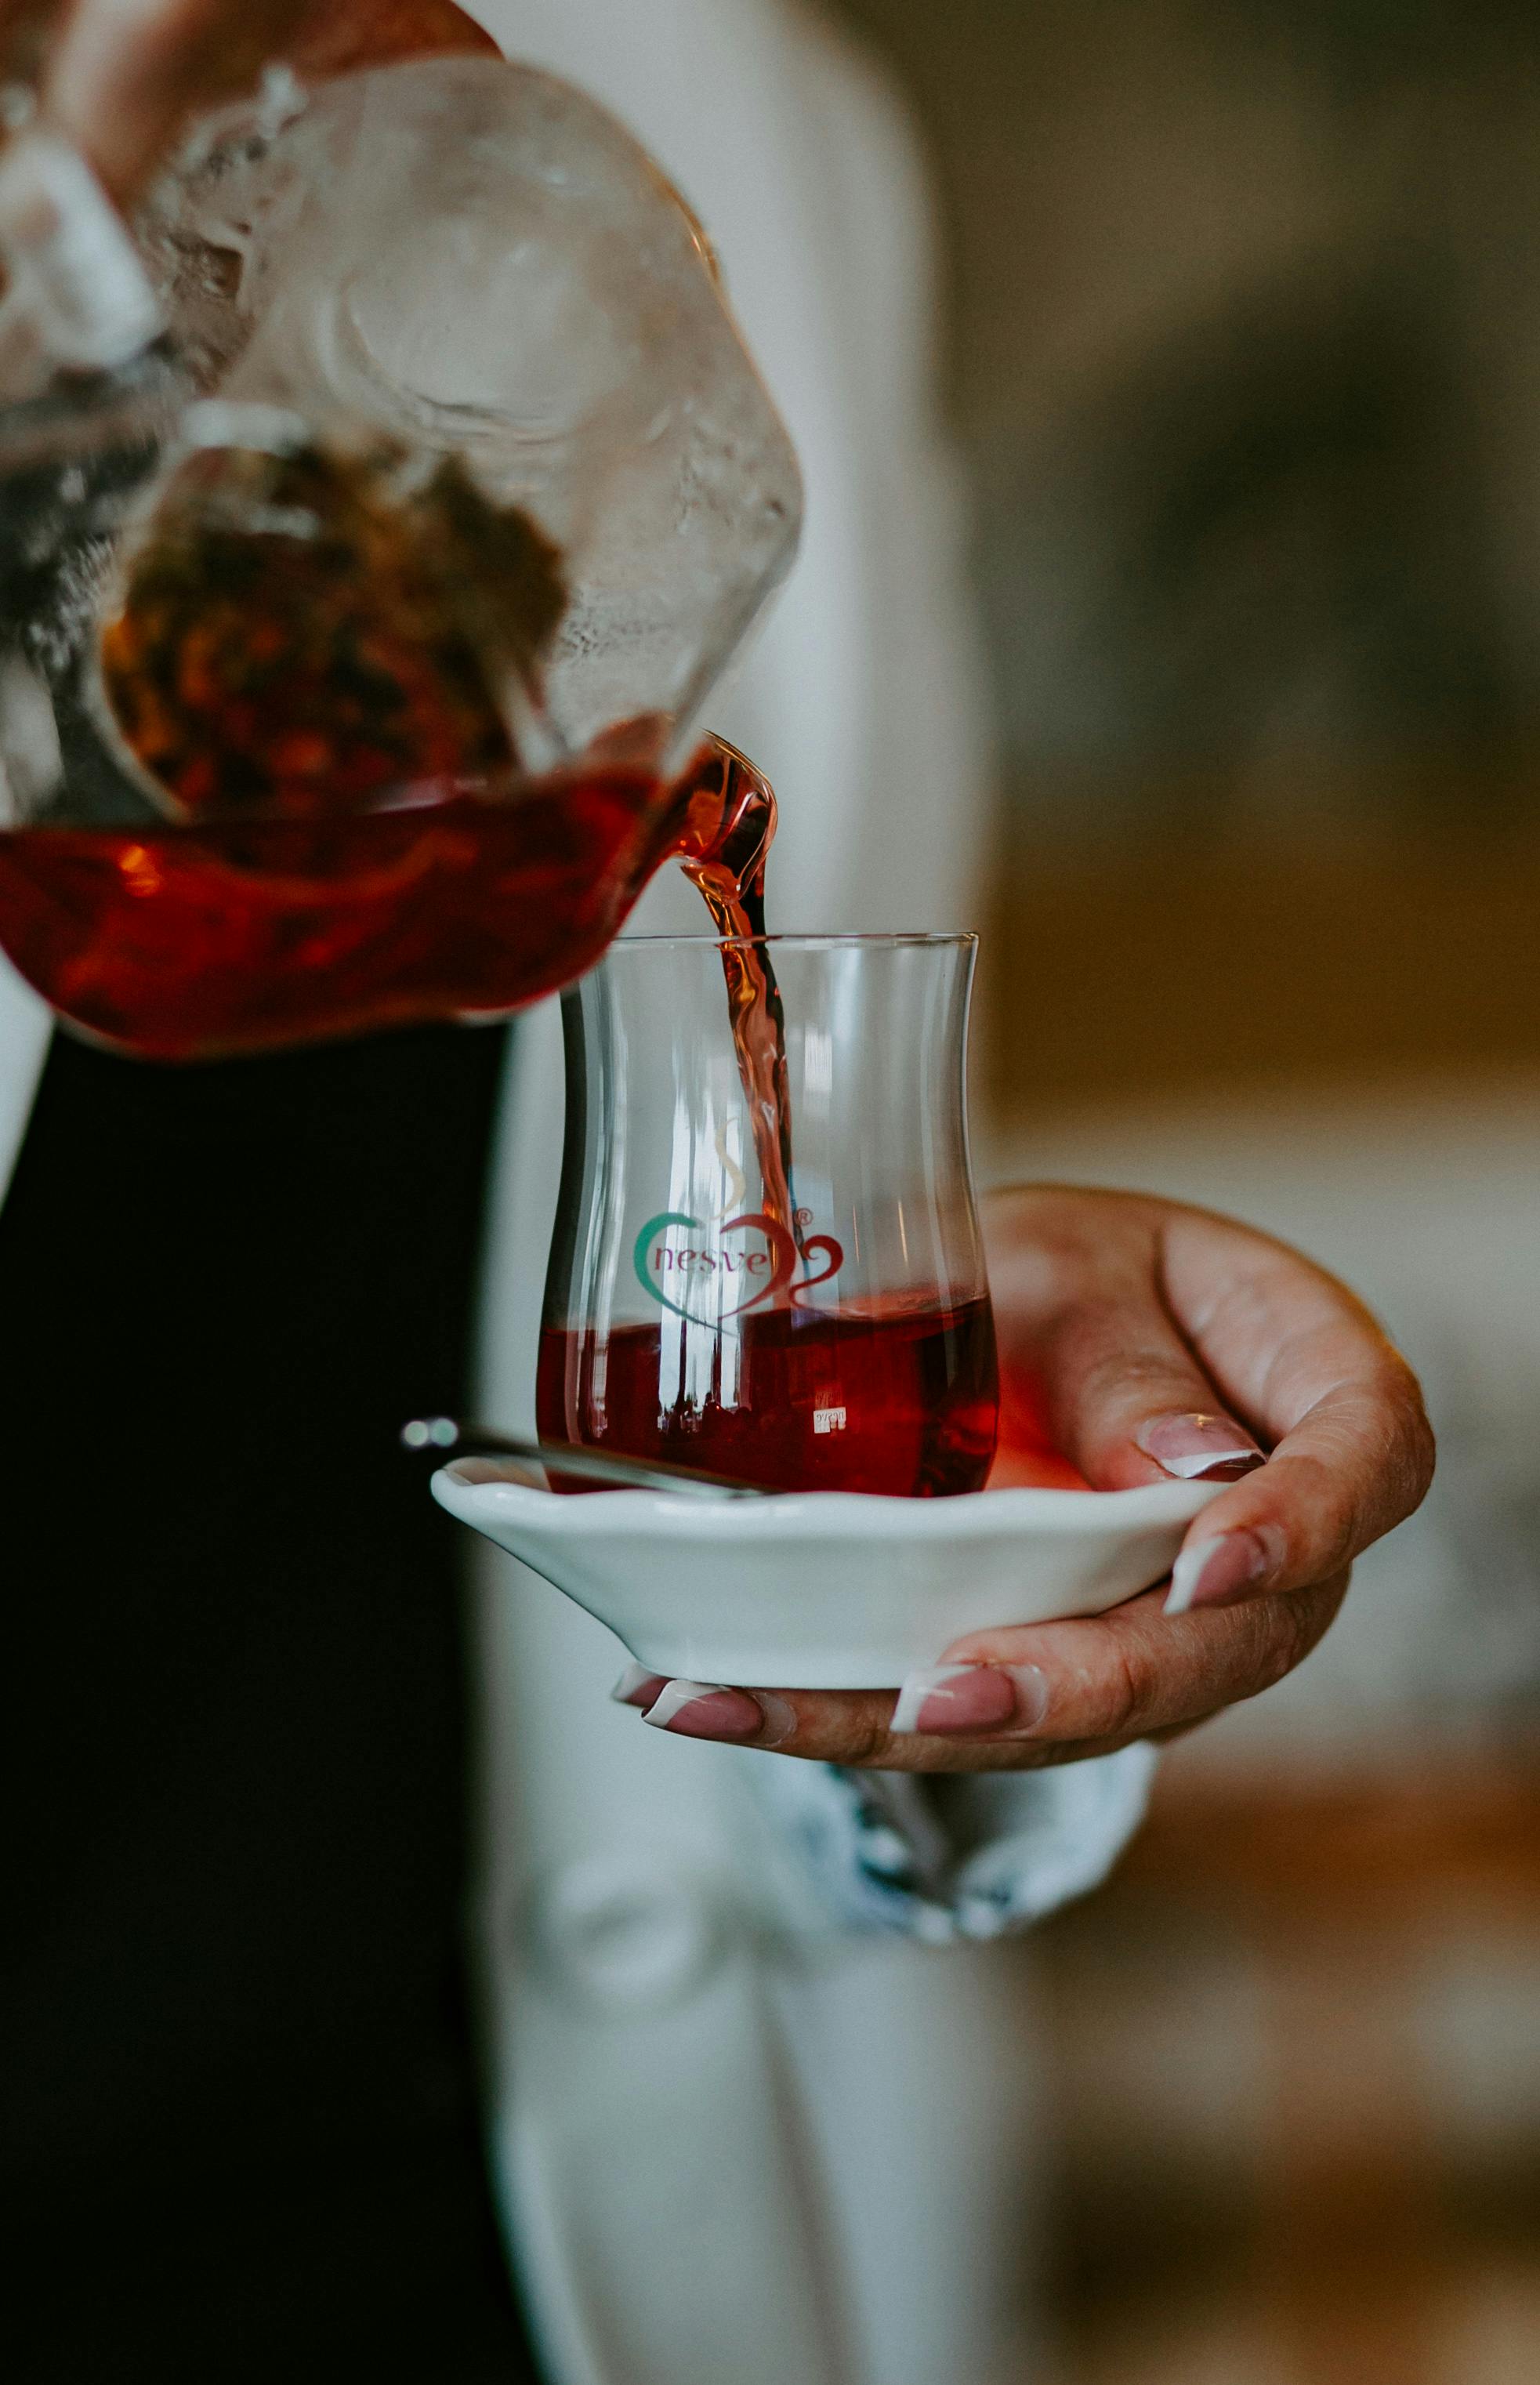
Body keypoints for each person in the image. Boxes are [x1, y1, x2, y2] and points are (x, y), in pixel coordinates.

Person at [0, 5, 1433, 2383]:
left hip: (471, 2268)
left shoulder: (729, 102)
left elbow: (699, 1364)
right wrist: (59, 204)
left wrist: (945, 1507)